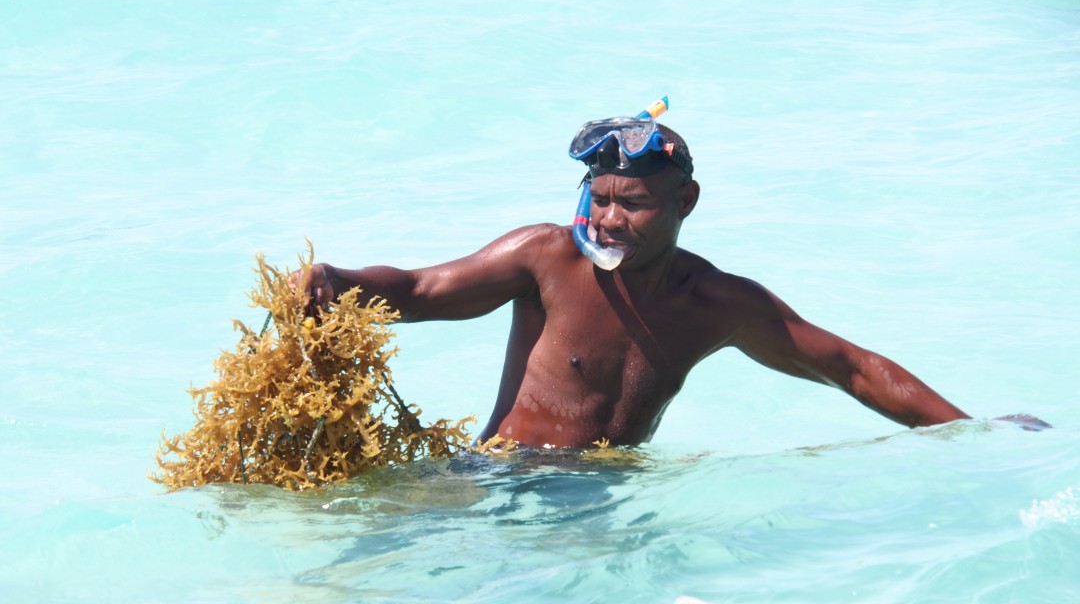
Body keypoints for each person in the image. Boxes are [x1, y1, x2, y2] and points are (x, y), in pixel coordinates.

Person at [297, 113, 1047, 447]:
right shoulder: (548, 257)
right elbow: (421, 290)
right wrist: (338, 278)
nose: (609, 221)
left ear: (685, 202)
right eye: (600, 200)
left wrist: (970, 432)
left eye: (634, 204)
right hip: (498, 484)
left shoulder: (717, 303)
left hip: (606, 500)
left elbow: (849, 367)